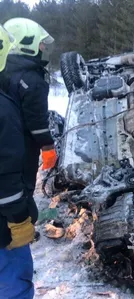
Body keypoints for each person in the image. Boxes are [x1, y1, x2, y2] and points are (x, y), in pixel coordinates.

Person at [1, 18, 57, 213]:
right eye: (40, 42)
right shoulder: (32, 79)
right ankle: (21, 221)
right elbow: (36, 120)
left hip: (7, 138)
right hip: (23, 145)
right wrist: (48, 145)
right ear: (27, 44)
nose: (43, 46)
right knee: (23, 186)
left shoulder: (7, 70)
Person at [0, 24, 35, 299]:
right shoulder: (2, 109)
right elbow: (6, 172)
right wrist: (18, 219)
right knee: (14, 284)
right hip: (2, 226)